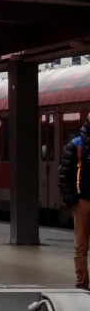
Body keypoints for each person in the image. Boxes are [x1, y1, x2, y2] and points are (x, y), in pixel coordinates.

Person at [59, 119, 90, 289]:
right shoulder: (77, 145)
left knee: (81, 247)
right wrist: (72, 202)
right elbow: (65, 176)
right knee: (81, 246)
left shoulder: (75, 144)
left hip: (81, 202)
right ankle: (83, 283)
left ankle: (83, 283)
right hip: (82, 203)